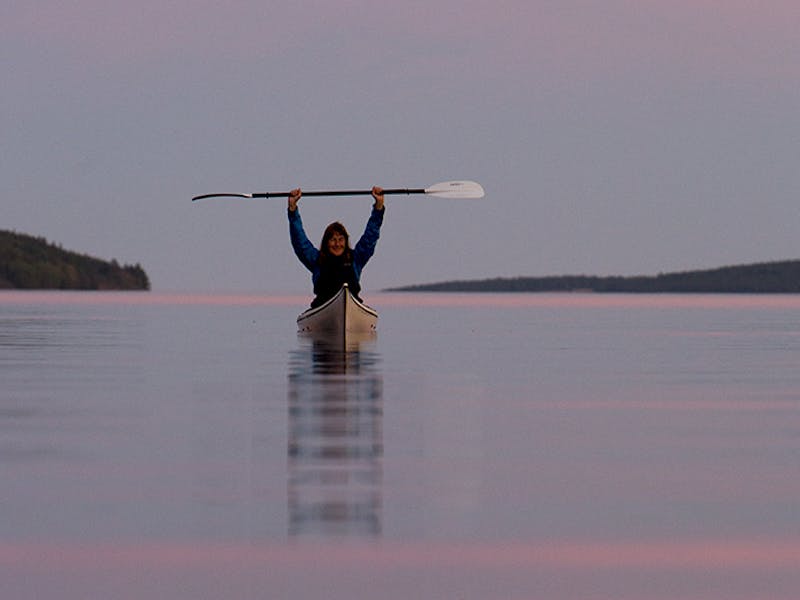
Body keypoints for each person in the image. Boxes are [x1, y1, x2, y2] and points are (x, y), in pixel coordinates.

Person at [288, 186, 385, 307]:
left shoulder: (356, 258)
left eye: (340, 239)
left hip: (353, 307)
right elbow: (299, 241)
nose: (337, 244)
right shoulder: (316, 260)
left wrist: (378, 207)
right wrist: (293, 210)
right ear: (326, 242)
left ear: (346, 241)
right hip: (322, 308)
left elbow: (370, 237)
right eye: (333, 240)